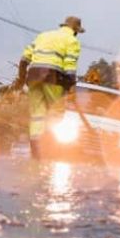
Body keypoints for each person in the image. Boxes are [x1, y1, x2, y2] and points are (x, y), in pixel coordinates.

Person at [14, 16, 84, 158]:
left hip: (33, 77)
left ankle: (36, 150)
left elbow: (24, 59)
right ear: (76, 31)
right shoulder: (72, 41)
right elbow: (70, 67)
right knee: (56, 112)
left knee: (37, 115)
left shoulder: (43, 36)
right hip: (53, 78)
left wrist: (20, 79)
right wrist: (71, 88)